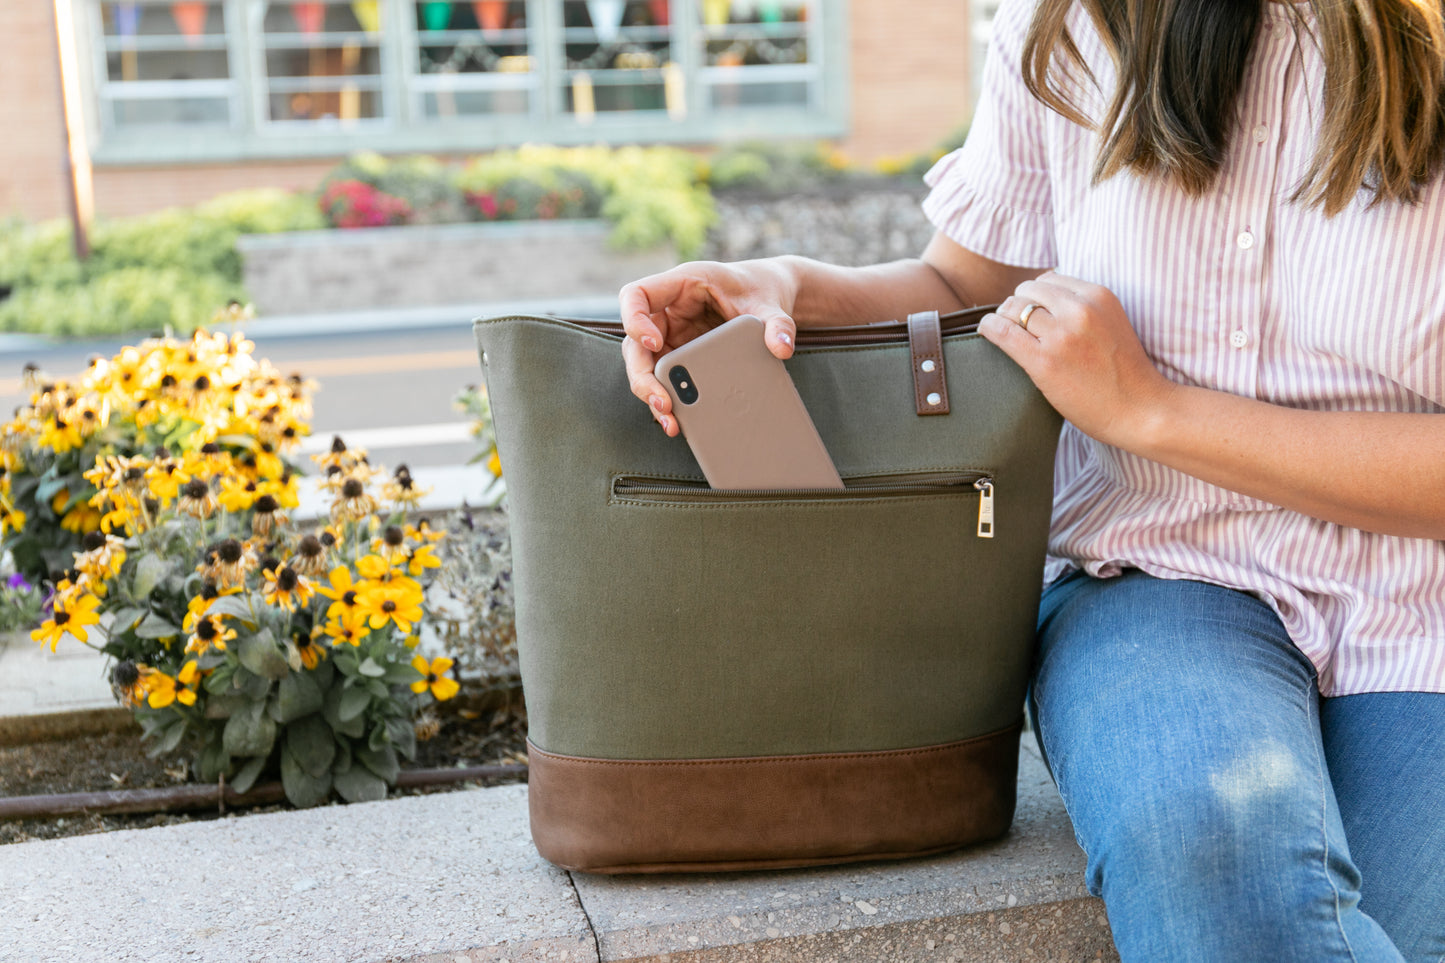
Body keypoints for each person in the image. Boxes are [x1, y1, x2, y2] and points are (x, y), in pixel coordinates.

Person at [617, 0, 1445, 959]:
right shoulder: (1072, 24)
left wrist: (1153, 412)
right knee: (1201, 836)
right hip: (1156, 575)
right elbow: (965, 290)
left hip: (1421, 602)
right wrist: (786, 285)